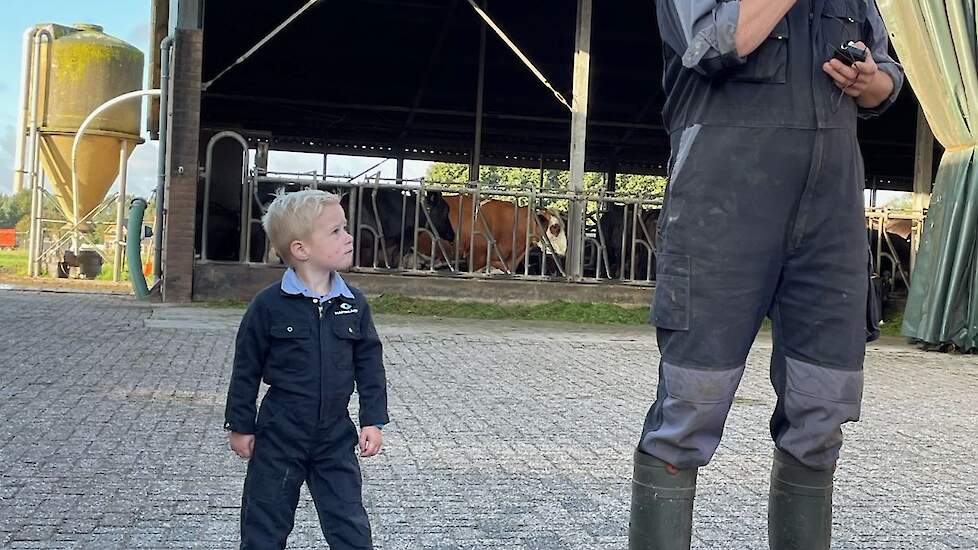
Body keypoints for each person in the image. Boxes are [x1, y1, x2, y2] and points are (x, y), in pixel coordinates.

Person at [630, 1, 904, 549]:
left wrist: (870, 78)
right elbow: (713, 42)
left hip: (829, 223)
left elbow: (888, 80)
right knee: (690, 407)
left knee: (822, 411)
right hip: (720, 215)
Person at [224, 189, 388, 549]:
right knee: (264, 524)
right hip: (279, 435)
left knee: (350, 525)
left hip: (334, 436)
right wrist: (240, 426)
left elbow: (370, 367)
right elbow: (246, 370)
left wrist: (372, 420)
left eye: (345, 228)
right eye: (336, 231)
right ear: (301, 249)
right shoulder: (268, 306)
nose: (349, 237)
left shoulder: (353, 304)